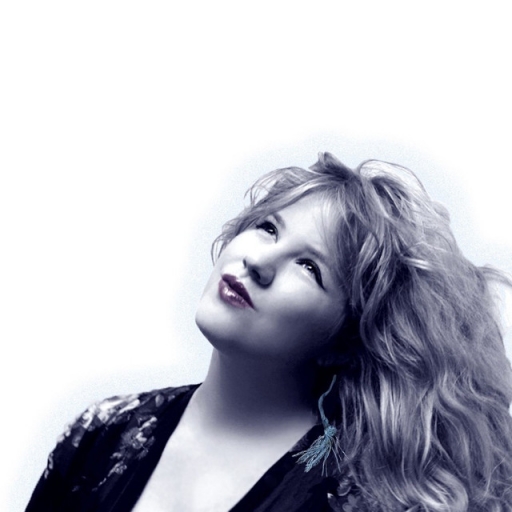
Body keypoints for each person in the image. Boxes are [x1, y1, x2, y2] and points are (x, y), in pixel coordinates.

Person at [26, 153, 512, 511]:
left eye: (309, 267)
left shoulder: (358, 498)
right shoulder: (102, 433)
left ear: (345, 342)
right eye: (268, 227)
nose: (258, 260)